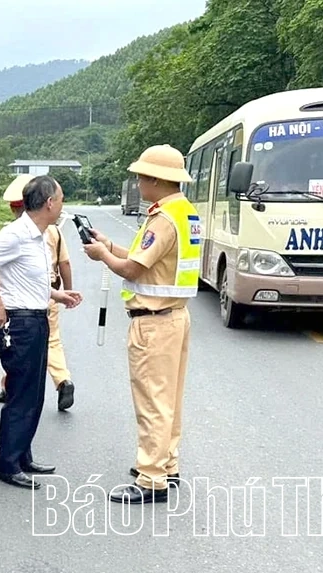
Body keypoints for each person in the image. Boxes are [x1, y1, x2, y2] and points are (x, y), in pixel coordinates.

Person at [82, 144, 199, 505]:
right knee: (170, 400)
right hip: (174, 317)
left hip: (153, 323)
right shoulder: (183, 212)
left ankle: (151, 479)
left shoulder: (163, 219)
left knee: (152, 402)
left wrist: (102, 255)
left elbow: (133, 269)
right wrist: (109, 244)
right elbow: (143, 259)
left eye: (141, 176)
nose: (137, 181)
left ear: (155, 179)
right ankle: (166, 465)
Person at [0, 175, 82, 490]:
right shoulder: (15, 234)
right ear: (48, 203)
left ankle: (21, 456)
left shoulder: (40, 236)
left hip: (37, 319)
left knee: (34, 394)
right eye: (60, 199)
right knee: (21, 396)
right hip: (19, 325)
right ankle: (5, 464)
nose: (62, 205)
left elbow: (31, 282)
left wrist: (58, 295)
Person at [0, 176, 76, 411]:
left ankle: (12, 386)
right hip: (23, 310)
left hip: (41, 301)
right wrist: (65, 289)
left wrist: (61, 294)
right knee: (49, 346)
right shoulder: (22, 234)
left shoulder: (43, 232)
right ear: (48, 203)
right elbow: (65, 264)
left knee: (29, 379)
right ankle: (62, 380)